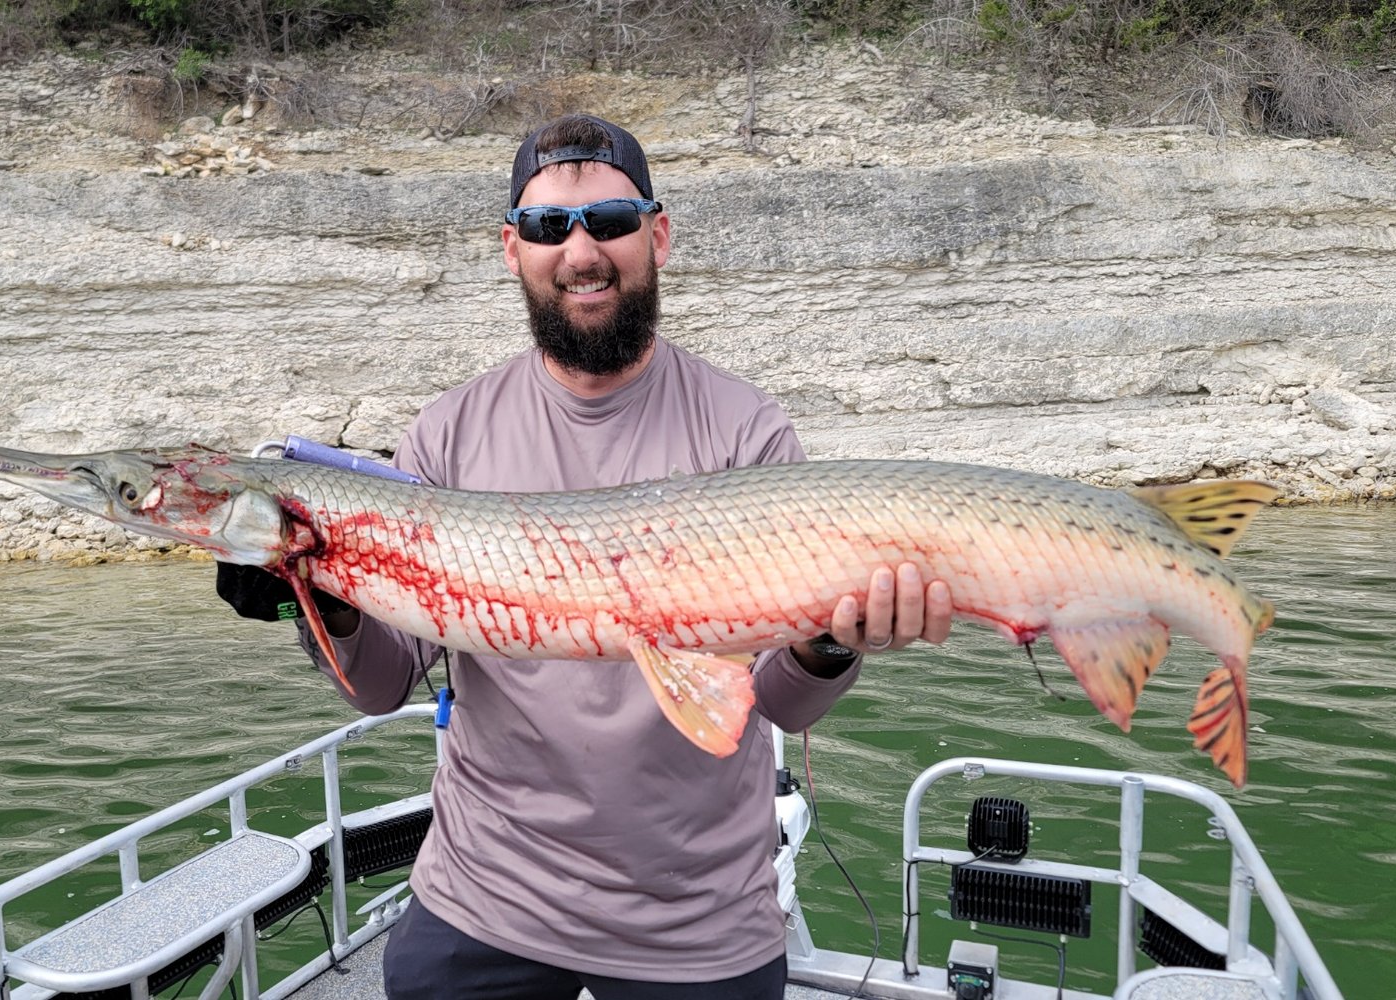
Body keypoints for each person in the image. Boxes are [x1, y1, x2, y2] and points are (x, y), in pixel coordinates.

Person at [216, 113, 952, 999]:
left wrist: (832, 643)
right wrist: (319, 600)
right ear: (511, 248)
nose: (579, 250)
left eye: (608, 221)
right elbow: (380, 686)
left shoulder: (747, 430)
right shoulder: (446, 432)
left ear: (657, 234)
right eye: (546, 226)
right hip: (485, 895)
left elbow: (780, 706)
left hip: (695, 916)